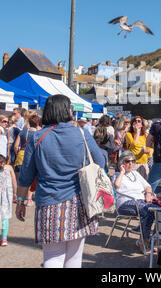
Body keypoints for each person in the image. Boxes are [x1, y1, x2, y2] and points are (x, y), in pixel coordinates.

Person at [15, 94, 106, 268]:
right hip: (80, 202)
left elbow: (25, 176)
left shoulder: (38, 138)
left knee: (52, 257)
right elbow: (100, 162)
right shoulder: (82, 133)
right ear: (67, 110)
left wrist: (20, 202)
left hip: (49, 203)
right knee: (74, 258)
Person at [112, 150, 157, 254]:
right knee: (147, 210)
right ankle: (143, 241)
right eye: (128, 161)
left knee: (156, 209)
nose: (131, 163)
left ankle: (145, 239)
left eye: (133, 161)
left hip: (140, 202)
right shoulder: (117, 175)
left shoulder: (136, 174)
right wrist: (122, 172)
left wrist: (148, 194)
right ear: (122, 163)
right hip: (125, 203)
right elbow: (116, 186)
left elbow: (148, 186)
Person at [14, 114, 41, 206]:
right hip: (31, 157)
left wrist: (17, 153)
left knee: (19, 178)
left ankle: (18, 197)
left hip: (21, 155)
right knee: (30, 178)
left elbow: (15, 145)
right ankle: (28, 199)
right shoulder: (37, 134)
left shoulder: (22, 132)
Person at [126, 116, 152, 180]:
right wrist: (137, 132)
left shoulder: (145, 135)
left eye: (139, 121)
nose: (136, 122)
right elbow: (134, 144)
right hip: (133, 163)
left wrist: (148, 151)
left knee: (144, 184)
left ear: (142, 124)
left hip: (144, 163)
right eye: (135, 121)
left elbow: (151, 148)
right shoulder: (129, 134)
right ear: (132, 124)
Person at [0, 154, 17, 246]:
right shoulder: (9, 168)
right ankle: (4, 238)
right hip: (6, 197)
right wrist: (15, 193)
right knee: (5, 217)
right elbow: (14, 181)